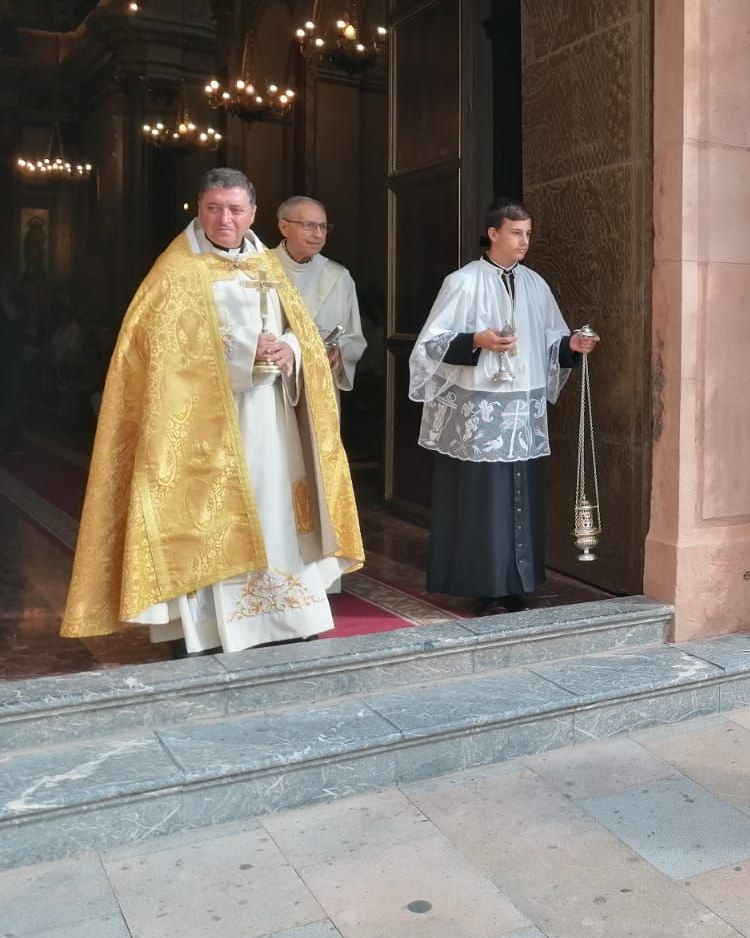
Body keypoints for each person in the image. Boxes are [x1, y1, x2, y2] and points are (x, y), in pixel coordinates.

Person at [60, 167, 363, 653]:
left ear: (254, 214)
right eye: (214, 208)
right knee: (208, 516)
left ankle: (286, 616)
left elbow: (300, 330)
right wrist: (245, 349)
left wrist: (290, 349)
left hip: (269, 416)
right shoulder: (175, 271)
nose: (225, 219)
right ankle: (207, 628)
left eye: (236, 209)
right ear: (198, 210)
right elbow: (158, 352)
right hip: (203, 428)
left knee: (276, 510)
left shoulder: (267, 265)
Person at [409, 199, 598, 615]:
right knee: (484, 502)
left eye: (528, 233)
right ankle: (485, 586)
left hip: (522, 409)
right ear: (493, 234)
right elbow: (429, 346)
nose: (524, 241)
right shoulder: (462, 281)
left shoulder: (535, 284)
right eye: (516, 233)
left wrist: (572, 346)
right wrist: (477, 340)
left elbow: (552, 339)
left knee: (522, 495)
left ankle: (518, 582)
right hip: (481, 411)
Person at [274, 196, 367, 392]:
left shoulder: (338, 277)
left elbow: (355, 337)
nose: (318, 234)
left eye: (323, 227)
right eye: (309, 225)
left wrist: (340, 349)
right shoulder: (260, 268)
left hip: (319, 383)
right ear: (284, 227)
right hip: (273, 381)